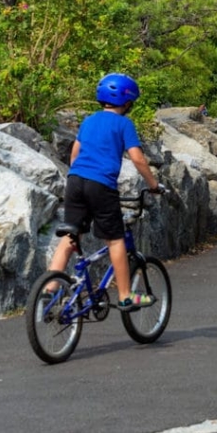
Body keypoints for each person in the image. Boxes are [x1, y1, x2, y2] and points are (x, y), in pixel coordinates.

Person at [48, 73, 162, 310]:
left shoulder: (89, 120)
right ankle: (124, 296)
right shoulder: (124, 124)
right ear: (128, 102)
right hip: (100, 185)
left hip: (75, 180)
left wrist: (79, 174)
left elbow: (75, 154)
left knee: (71, 238)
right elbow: (138, 159)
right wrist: (153, 184)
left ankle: (49, 290)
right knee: (115, 239)